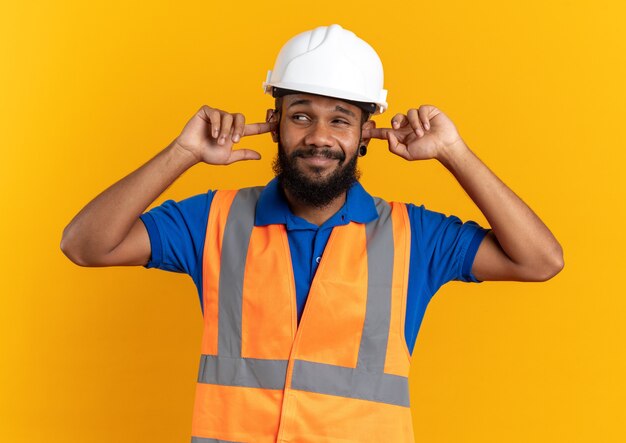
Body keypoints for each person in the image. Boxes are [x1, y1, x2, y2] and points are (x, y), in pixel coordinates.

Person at [61, 24, 563, 443]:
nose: (319, 137)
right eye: (301, 116)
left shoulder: (416, 236)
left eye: (341, 120)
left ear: (366, 133)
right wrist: (183, 152)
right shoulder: (213, 220)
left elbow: (541, 260)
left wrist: (454, 152)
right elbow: (83, 245)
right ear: (275, 123)